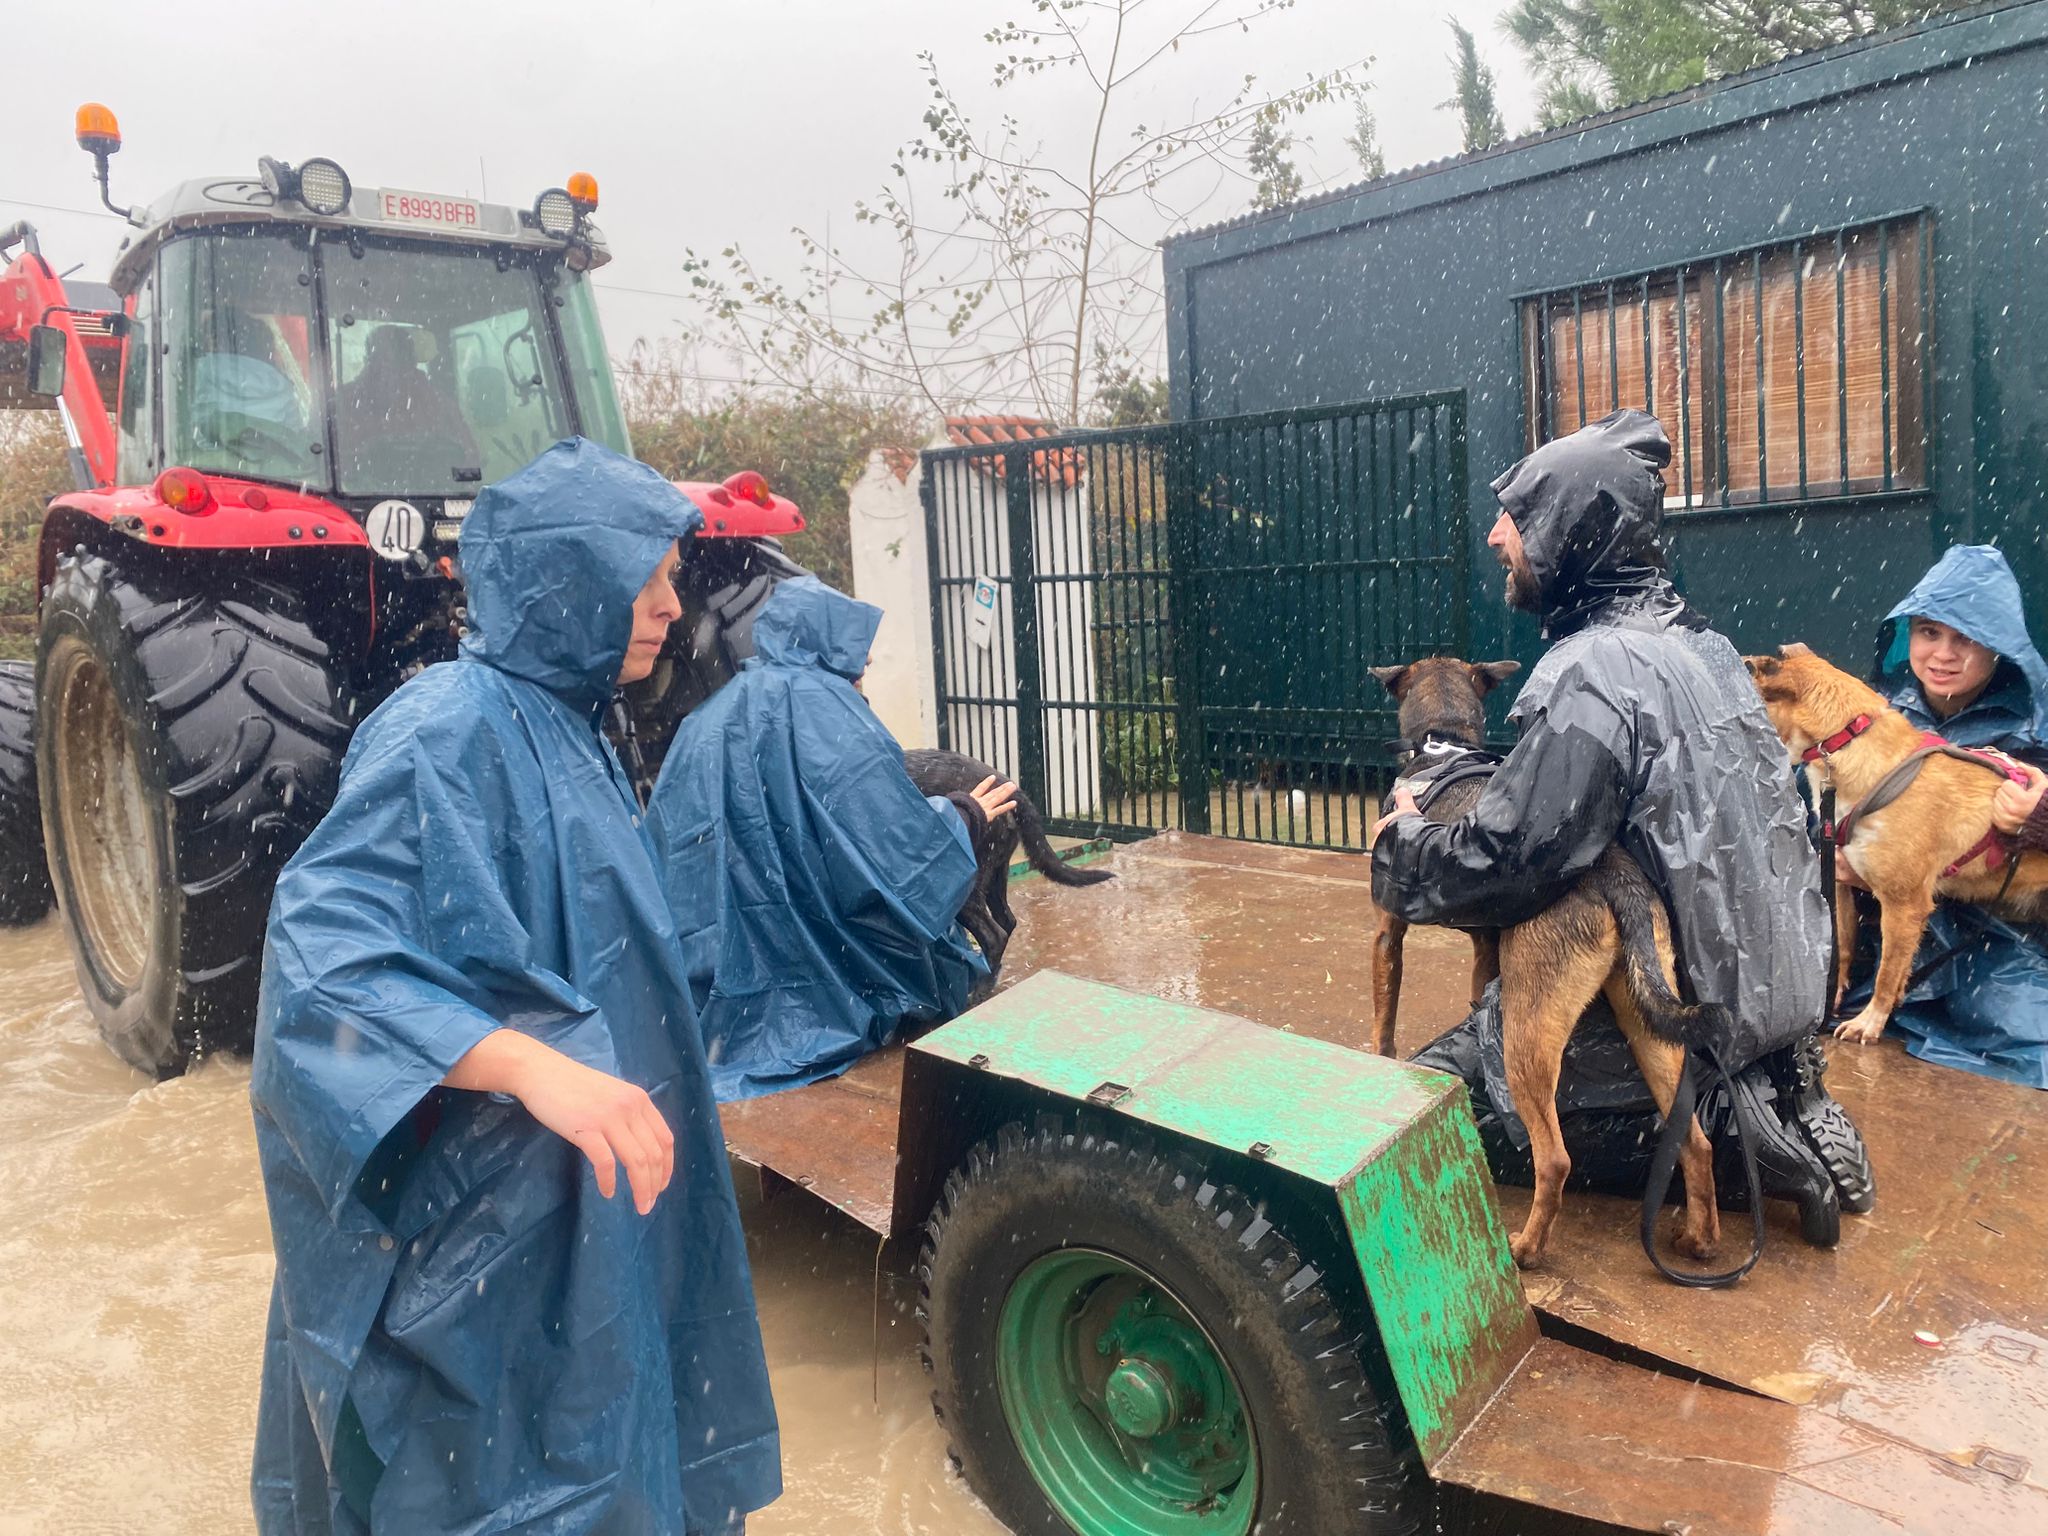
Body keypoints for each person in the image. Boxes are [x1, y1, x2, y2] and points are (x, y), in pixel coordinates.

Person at [249, 437, 779, 1535]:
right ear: (567, 576)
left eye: (672, 576)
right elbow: (323, 961)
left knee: (601, 1447)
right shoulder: (446, 727)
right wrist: (536, 1068)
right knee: (490, 1481)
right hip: (486, 1239)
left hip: (571, 1212)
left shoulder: (571, 723)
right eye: (648, 575)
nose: (672, 607)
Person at [1370, 408, 1855, 1239]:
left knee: (1411, 1114)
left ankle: (1744, 1139)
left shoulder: (1597, 670)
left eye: (1517, 517)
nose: (1495, 536)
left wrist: (1407, 840)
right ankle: (1772, 1091)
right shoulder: (1701, 645)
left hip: (1669, 999)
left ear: (1569, 530)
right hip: (1751, 992)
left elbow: (1513, 864)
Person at [645, 576, 1015, 1101]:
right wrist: (964, 816)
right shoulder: (830, 710)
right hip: (820, 986)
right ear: (825, 641)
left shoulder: (709, 716)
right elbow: (885, 846)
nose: (864, 664)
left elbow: (676, 846)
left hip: (712, 1001)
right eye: (855, 648)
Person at [1835, 543, 2048, 1087]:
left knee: (2030, 1037)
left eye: (1966, 639)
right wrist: (1835, 851)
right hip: (1878, 932)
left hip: (1992, 941)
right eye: (1929, 632)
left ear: (2000, 648)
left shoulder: (2034, 726)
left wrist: (2039, 814)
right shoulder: (1876, 714)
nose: (1943, 654)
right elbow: (1802, 798)